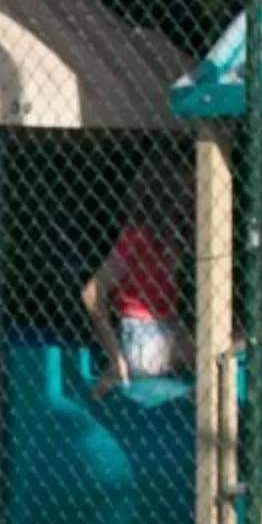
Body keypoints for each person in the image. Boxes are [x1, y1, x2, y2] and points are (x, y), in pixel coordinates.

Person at [81, 162, 192, 399]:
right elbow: (91, 293)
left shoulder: (175, 236)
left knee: (235, 340)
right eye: (187, 189)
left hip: (168, 328)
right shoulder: (138, 237)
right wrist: (116, 356)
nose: (192, 196)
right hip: (144, 335)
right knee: (223, 344)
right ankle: (122, 367)